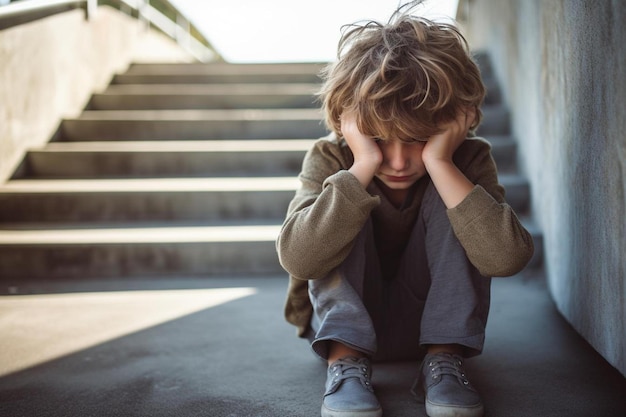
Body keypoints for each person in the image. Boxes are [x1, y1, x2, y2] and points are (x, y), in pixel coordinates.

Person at [276, 2, 534, 417]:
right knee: (345, 197)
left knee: (452, 193)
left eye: (418, 138)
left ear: (455, 123)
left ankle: (445, 360)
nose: (396, 161)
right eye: (378, 139)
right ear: (348, 123)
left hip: (431, 327)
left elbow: (506, 258)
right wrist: (362, 166)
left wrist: (441, 164)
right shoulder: (331, 156)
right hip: (339, 328)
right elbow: (301, 257)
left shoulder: (464, 160)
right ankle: (345, 362)